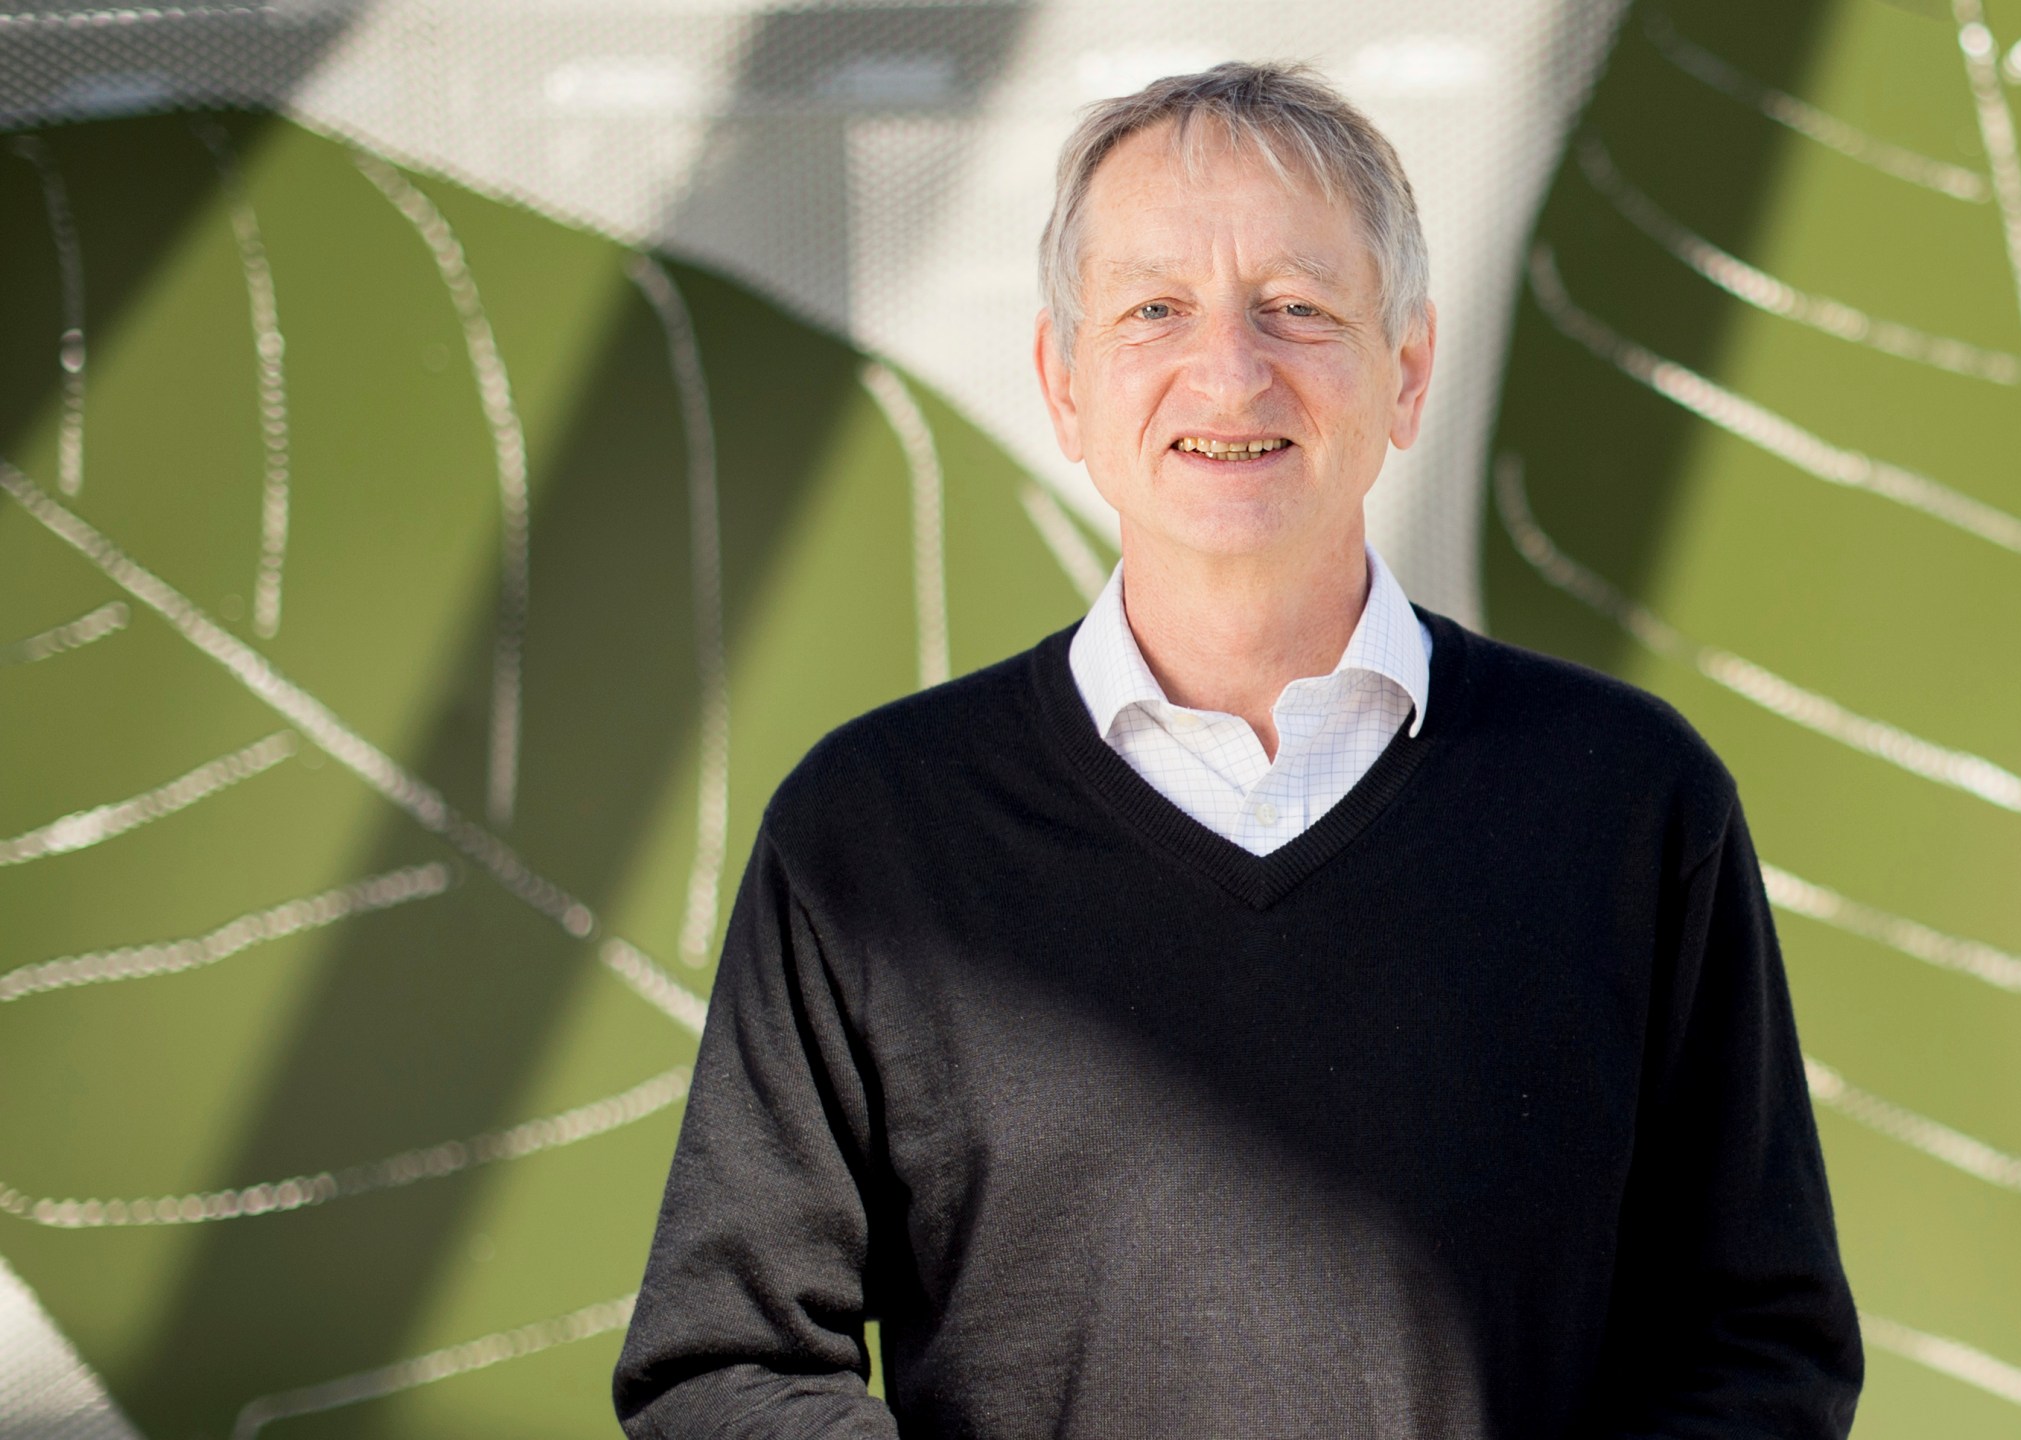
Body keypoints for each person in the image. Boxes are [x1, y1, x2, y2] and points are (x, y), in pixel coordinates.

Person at [612, 62, 1860, 1439]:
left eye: (1298, 309)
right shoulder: (870, 834)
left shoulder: (1628, 804)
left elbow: (1760, 1347)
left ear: (1408, 370)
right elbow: (721, 1366)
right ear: (1065, 381)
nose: (1229, 368)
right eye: (1155, 309)